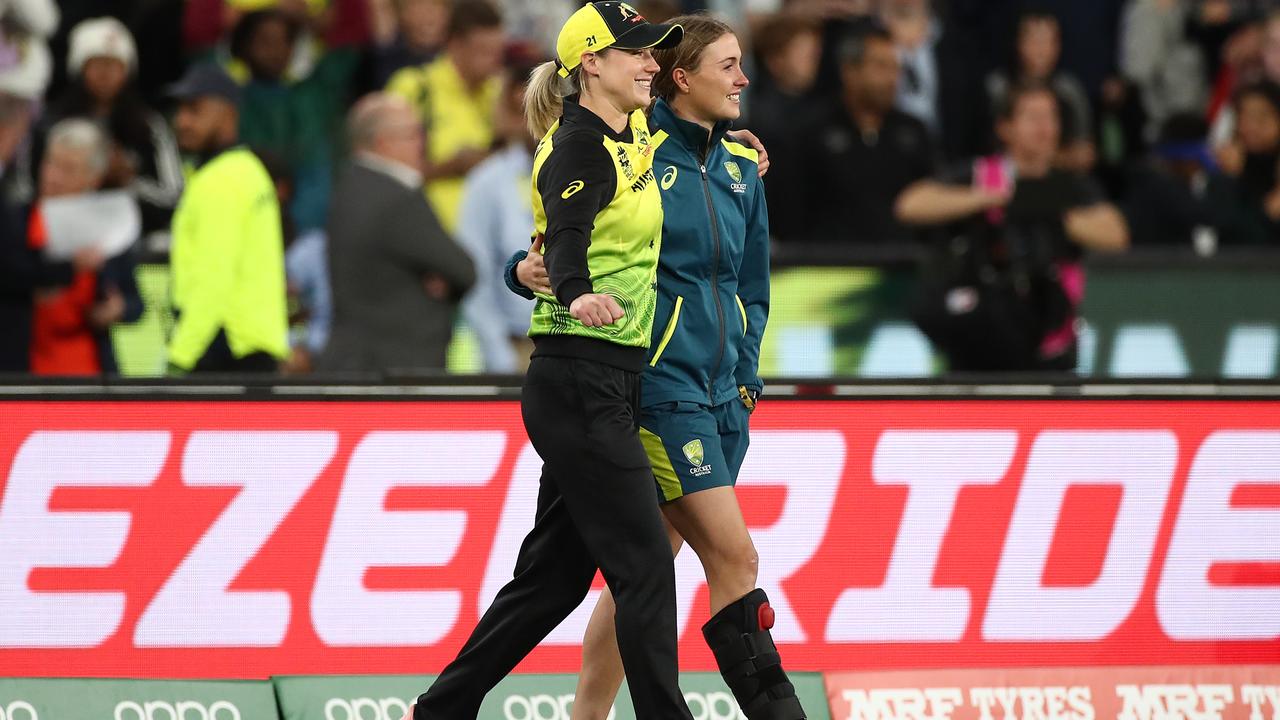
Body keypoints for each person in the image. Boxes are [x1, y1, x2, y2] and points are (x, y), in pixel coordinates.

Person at [508, 14, 806, 720]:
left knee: (642, 572)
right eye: (728, 66)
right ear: (681, 77)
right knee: (733, 558)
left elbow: (751, 287)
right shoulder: (634, 148)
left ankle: (586, 716)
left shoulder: (739, 167)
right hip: (656, 385)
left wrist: (746, 372)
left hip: (722, 393)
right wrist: (520, 274)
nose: (743, 79)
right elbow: (557, 237)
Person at [403, 4, 694, 719]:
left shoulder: (633, 131)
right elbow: (564, 238)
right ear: (590, 63)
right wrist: (575, 290)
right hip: (580, 375)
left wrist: (738, 144)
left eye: (653, 53)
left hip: (601, 380)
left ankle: (439, 710)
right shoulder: (579, 146)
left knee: (553, 580)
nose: (652, 64)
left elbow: (542, 248)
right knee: (645, 567)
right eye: (637, 54)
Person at [897, 83, 1128, 372]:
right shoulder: (980, 174)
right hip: (983, 328)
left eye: (1050, 117)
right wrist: (989, 197)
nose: (1044, 128)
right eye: (1032, 118)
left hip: (1050, 327)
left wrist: (1046, 208)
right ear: (1005, 128)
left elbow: (1115, 234)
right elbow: (911, 205)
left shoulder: (1069, 185)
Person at [318, 93, 475, 374]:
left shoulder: (348, 188)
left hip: (356, 363)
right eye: (413, 133)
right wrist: (439, 282)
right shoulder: (396, 197)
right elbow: (463, 269)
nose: (422, 143)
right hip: (397, 369)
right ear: (383, 142)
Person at [166, 63, 289, 374]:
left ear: (229, 114)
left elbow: (213, 277)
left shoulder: (220, 180)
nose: (182, 121)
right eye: (180, 110)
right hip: (253, 343)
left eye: (195, 110)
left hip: (225, 347)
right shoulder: (248, 169)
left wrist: (180, 356)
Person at [42, 17, 184, 238]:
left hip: (129, 239)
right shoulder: (52, 121)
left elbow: (173, 199)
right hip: (58, 234)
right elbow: (25, 188)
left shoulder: (148, 125)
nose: (105, 73)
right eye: (97, 63)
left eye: (115, 65)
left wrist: (128, 180)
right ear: (79, 67)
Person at [801, 22, 936, 245]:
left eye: (895, 68)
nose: (892, 78)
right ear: (849, 71)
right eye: (881, 67)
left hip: (904, 270)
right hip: (832, 269)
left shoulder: (914, 131)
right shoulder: (812, 133)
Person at [29, 119, 143, 375]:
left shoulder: (112, 229)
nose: (53, 177)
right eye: (51, 163)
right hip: (22, 376)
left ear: (93, 179)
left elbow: (137, 303)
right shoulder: (16, 222)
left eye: (68, 169)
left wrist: (117, 309)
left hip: (90, 377)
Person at [386, 0, 506, 234]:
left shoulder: (500, 93)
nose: (494, 61)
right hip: (430, 234)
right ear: (455, 45)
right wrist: (452, 165)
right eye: (483, 51)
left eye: (498, 52)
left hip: (492, 237)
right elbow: (388, 173)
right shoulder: (415, 88)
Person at [456, 49, 541, 374]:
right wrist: (499, 355)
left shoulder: (599, 171)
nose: (531, 119)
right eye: (517, 107)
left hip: (589, 345)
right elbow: (474, 273)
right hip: (518, 348)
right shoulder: (487, 183)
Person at [986, 10, 1095, 171]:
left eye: (1049, 41)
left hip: (1059, 178)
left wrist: (1046, 158)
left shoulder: (1069, 91)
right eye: (1034, 41)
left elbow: (1085, 151)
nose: (1042, 50)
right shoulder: (997, 88)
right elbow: (982, 149)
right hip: (1003, 178)